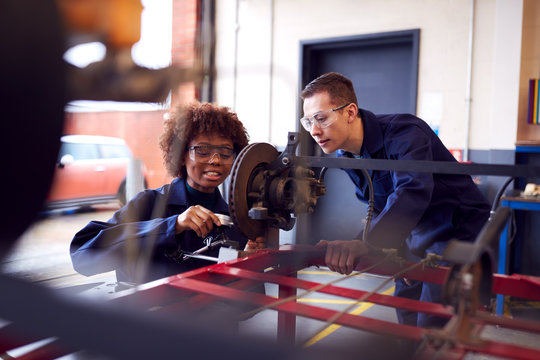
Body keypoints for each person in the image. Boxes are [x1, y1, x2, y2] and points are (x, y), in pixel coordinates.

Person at [300, 72, 491, 328]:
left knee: (432, 321)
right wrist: (373, 246)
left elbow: (412, 190)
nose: (314, 130)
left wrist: (365, 243)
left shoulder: (405, 132)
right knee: (406, 311)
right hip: (415, 235)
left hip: (456, 230)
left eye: (321, 118)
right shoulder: (348, 158)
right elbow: (381, 207)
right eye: (308, 121)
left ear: (350, 112)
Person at [70, 101, 258, 283]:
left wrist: (246, 263)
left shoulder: (234, 222)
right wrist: (172, 225)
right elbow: (82, 256)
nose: (216, 160)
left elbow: (243, 302)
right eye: (203, 151)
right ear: (182, 156)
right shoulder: (148, 204)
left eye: (225, 153)